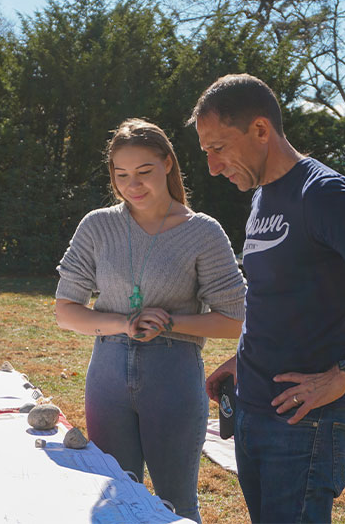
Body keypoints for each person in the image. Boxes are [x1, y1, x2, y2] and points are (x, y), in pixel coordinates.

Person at [190, 73, 345, 523]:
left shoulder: (322, 194)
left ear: (261, 130)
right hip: (253, 407)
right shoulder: (262, 195)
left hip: (307, 424)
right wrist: (241, 362)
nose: (212, 166)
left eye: (218, 148)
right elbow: (279, 297)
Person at [54, 118, 246, 522]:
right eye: (121, 175)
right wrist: (125, 324)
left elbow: (236, 320)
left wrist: (171, 322)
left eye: (144, 171)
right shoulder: (97, 225)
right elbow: (66, 312)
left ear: (168, 165)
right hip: (106, 376)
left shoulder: (202, 232)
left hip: (173, 376)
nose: (133, 184)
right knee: (114, 499)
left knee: (176, 504)